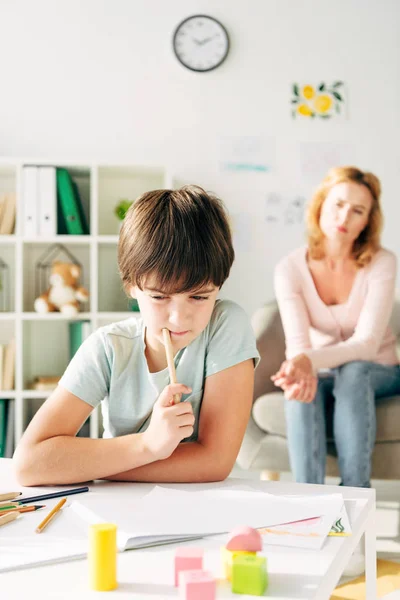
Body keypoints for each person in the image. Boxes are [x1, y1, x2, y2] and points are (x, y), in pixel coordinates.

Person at [14, 186, 259, 486]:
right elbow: (28, 464)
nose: (178, 318)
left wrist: (85, 464)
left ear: (219, 286)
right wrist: (148, 446)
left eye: (198, 297)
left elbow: (214, 462)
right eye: (159, 297)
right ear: (131, 286)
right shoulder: (108, 347)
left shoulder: (225, 325)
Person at [272, 166, 400, 489]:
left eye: (358, 211)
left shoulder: (383, 262)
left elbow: (368, 344)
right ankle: (308, 500)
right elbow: (298, 344)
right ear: (320, 206)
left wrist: (308, 361)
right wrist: (301, 370)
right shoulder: (289, 269)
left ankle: (355, 495)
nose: (345, 217)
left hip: (378, 370)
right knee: (298, 389)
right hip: (325, 373)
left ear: (368, 221)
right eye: (338, 204)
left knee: (354, 370)